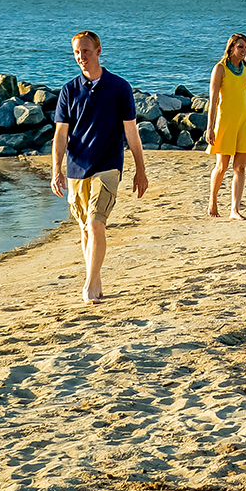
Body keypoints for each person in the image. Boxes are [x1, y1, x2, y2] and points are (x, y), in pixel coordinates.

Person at [51, 29, 149, 303]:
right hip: (76, 168)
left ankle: (90, 284)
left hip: (108, 166)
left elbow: (131, 132)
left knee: (96, 224)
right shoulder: (69, 90)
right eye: (76, 52)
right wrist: (55, 170)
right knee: (84, 228)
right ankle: (95, 278)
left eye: (85, 50)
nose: (80, 56)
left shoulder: (119, 88)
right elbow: (60, 134)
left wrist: (140, 169)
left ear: (98, 50)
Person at [204, 32, 246, 220]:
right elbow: (213, 98)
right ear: (231, 48)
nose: (244, 51)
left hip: (245, 120)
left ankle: (235, 209)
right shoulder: (220, 68)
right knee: (222, 166)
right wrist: (210, 127)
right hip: (225, 120)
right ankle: (213, 199)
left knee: (240, 167)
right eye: (240, 47)